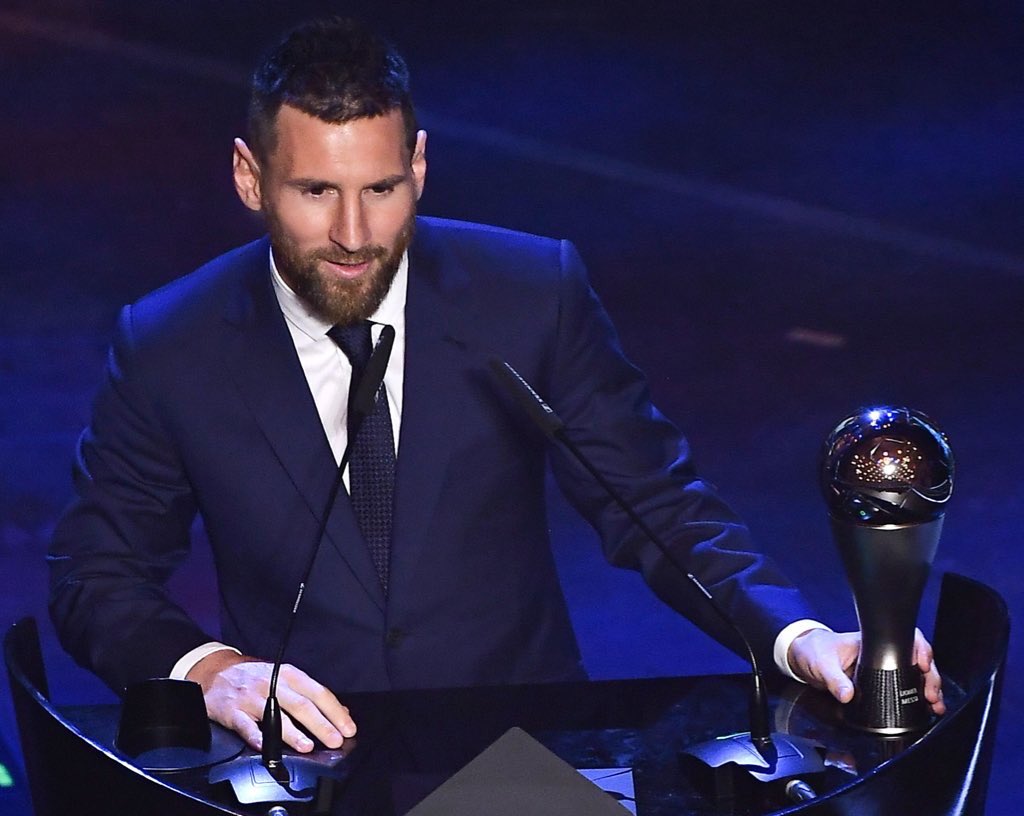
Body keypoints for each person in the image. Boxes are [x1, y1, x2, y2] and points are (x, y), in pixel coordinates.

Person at [48, 16, 943, 755]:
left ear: (420, 166)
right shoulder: (170, 342)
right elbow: (96, 573)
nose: (354, 233)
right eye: (316, 192)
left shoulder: (530, 295)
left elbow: (658, 508)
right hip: (303, 760)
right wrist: (210, 670)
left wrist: (798, 640)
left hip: (525, 748)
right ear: (251, 178)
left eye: (382, 188)